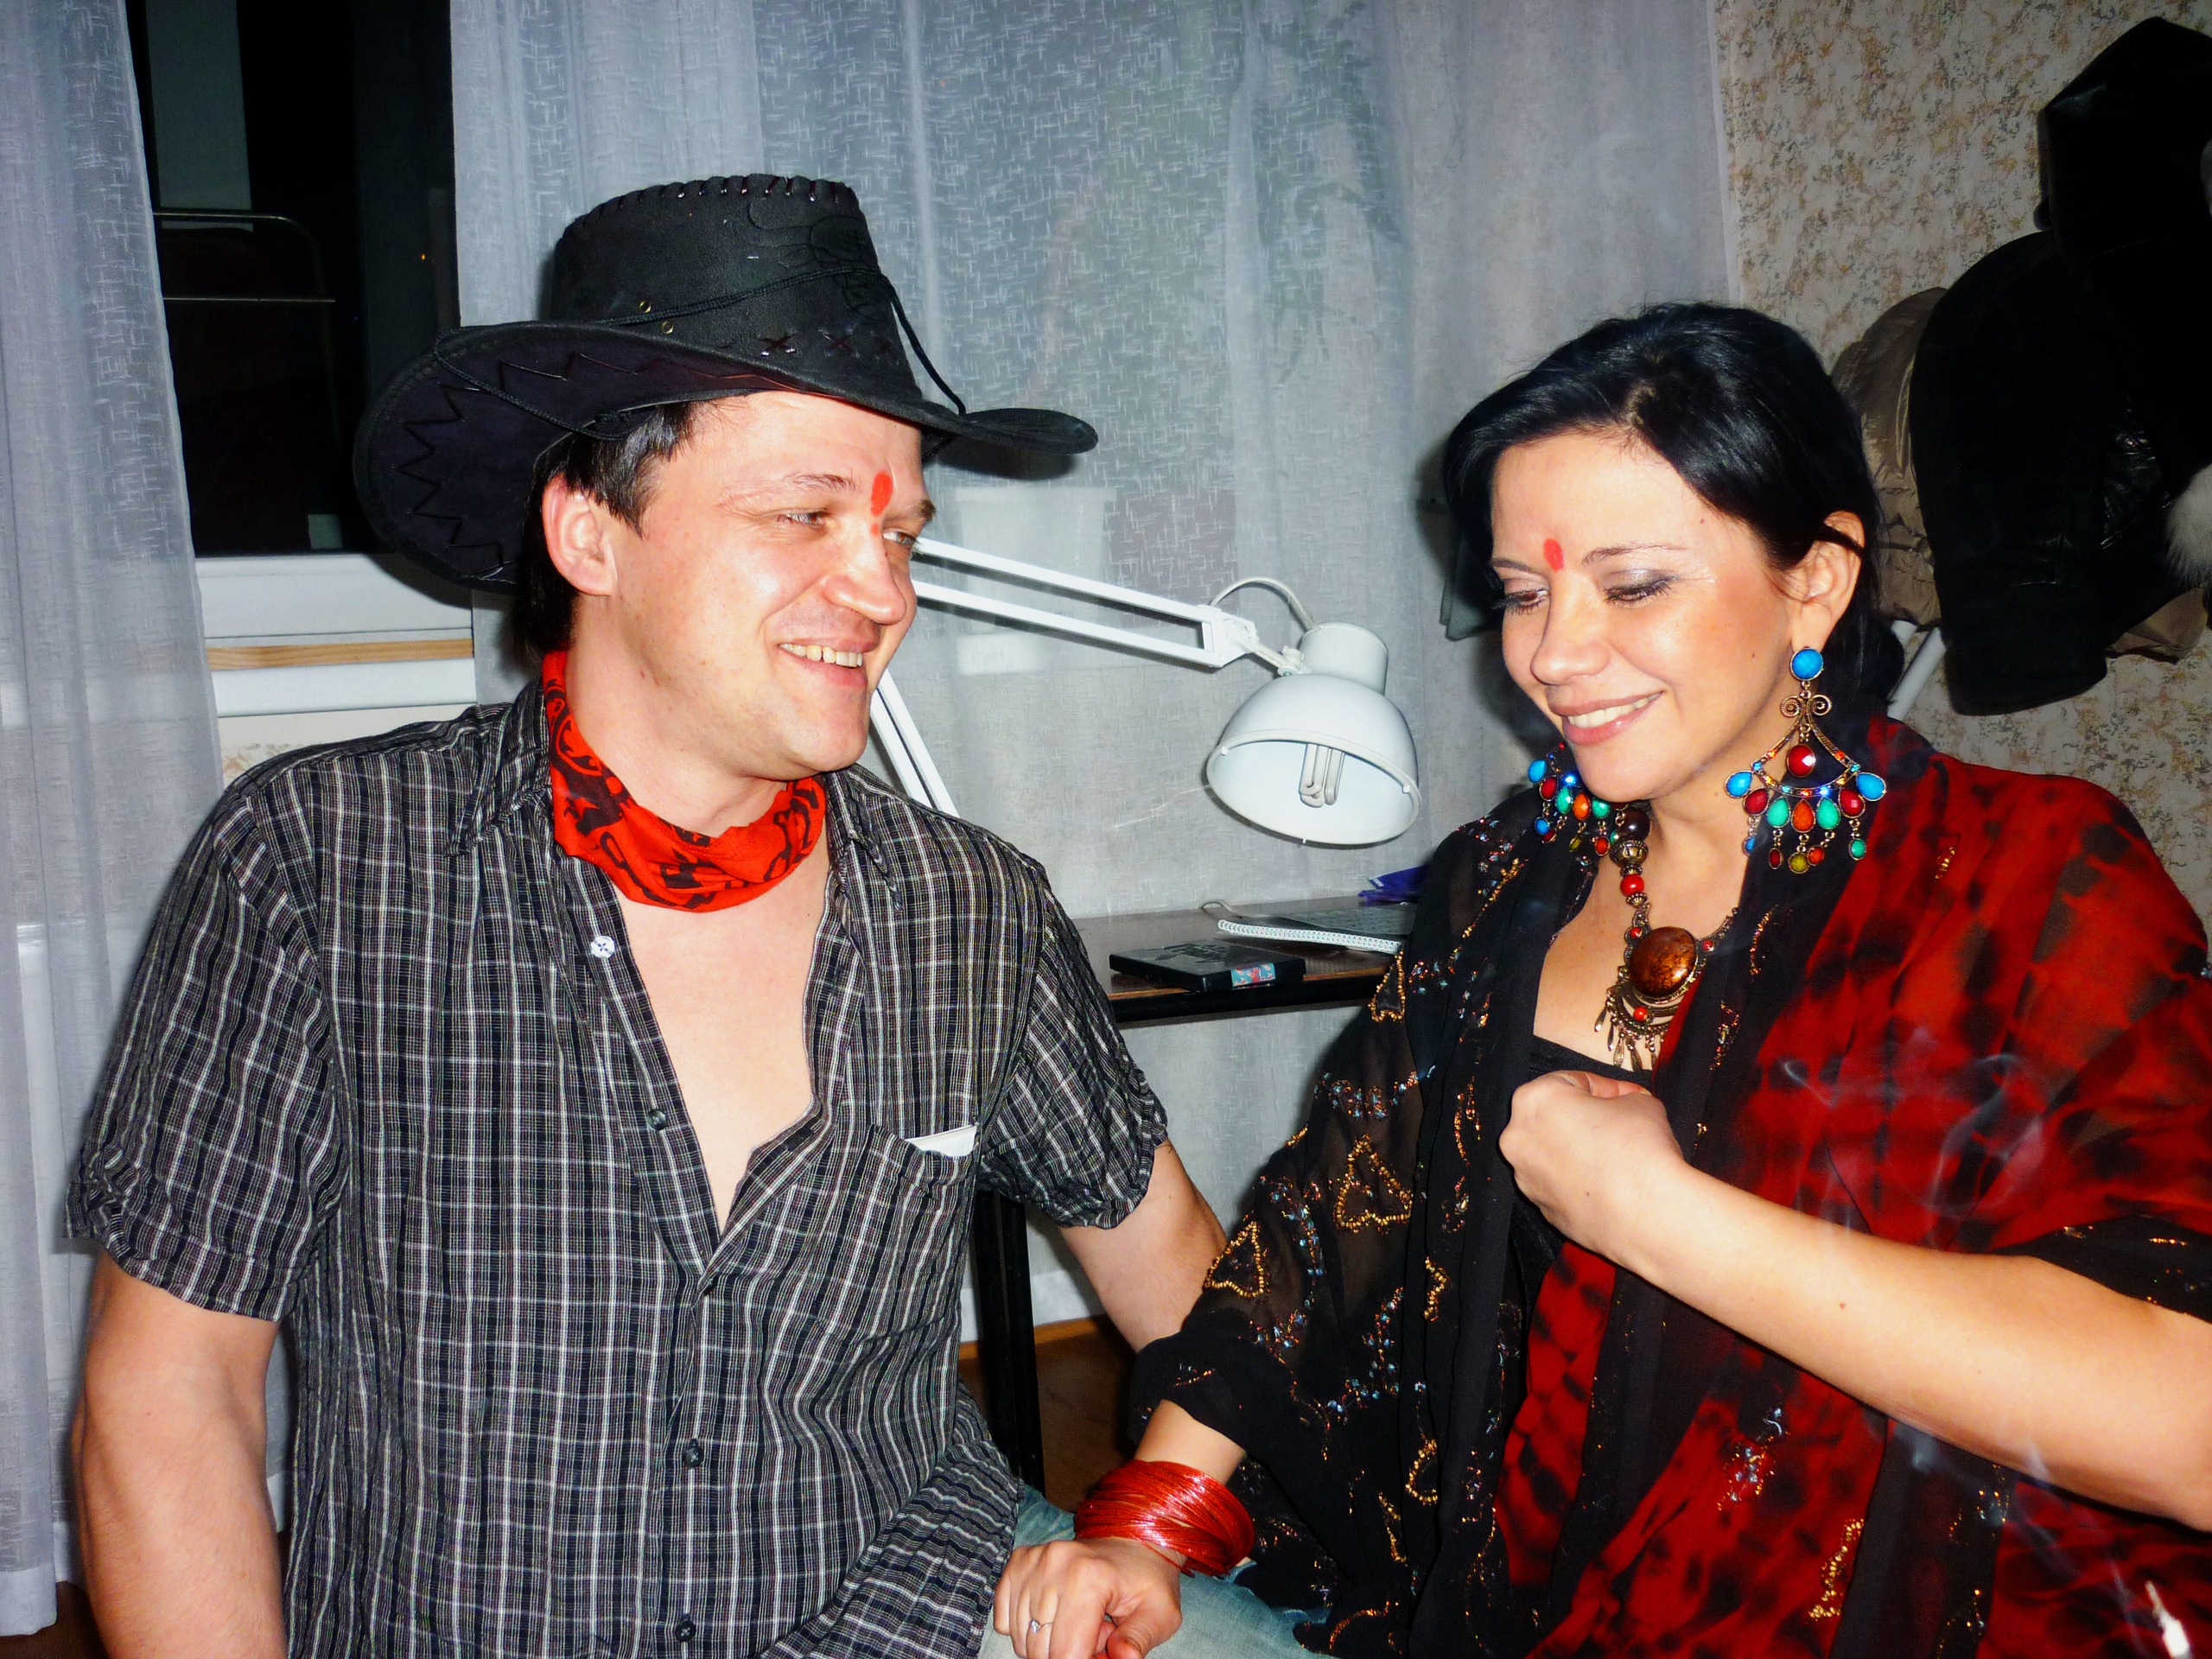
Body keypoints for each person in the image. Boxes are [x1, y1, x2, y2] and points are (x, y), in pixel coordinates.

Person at [67, 174, 1226, 1659]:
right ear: (591, 535)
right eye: (805, 514)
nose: (881, 589)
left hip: (914, 1612)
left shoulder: (970, 909)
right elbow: (168, 1399)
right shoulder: (319, 865)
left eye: (901, 535)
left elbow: (1195, 1287)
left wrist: (1151, 1524)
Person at [992, 303, 2212, 1658]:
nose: (1553, 656)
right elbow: (1327, 1222)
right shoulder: (1507, 875)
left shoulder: (2025, 883)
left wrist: (1664, 1217)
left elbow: (2187, 1425)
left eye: (1632, 586)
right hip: (1505, 1598)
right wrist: (1150, 1518)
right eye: (1525, 591)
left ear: (1816, 581)